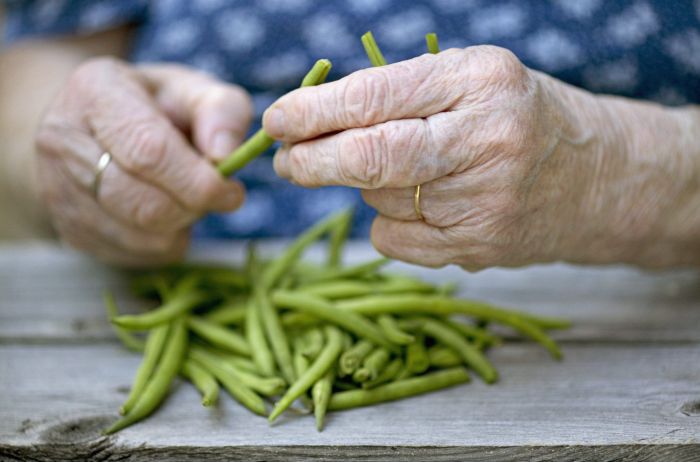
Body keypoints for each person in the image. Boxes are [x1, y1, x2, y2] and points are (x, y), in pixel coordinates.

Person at [0, 1, 698, 269]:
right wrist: (88, 153)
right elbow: (33, 63)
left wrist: (625, 167)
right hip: (202, 280)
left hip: (626, 316)